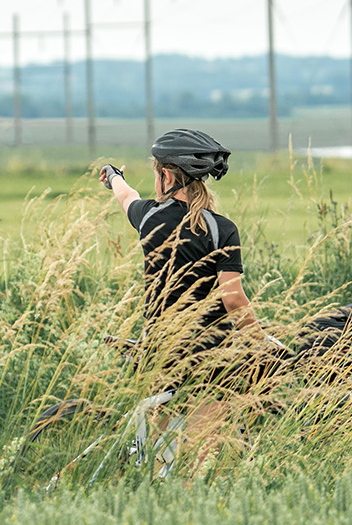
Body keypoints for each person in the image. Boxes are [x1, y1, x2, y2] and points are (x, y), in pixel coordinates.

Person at [99, 128, 276, 393]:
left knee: (160, 427)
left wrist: (113, 176)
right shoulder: (221, 229)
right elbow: (233, 299)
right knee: (206, 432)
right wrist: (261, 340)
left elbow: (126, 196)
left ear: (166, 176)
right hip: (209, 354)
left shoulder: (148, 217)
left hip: (160, 345)